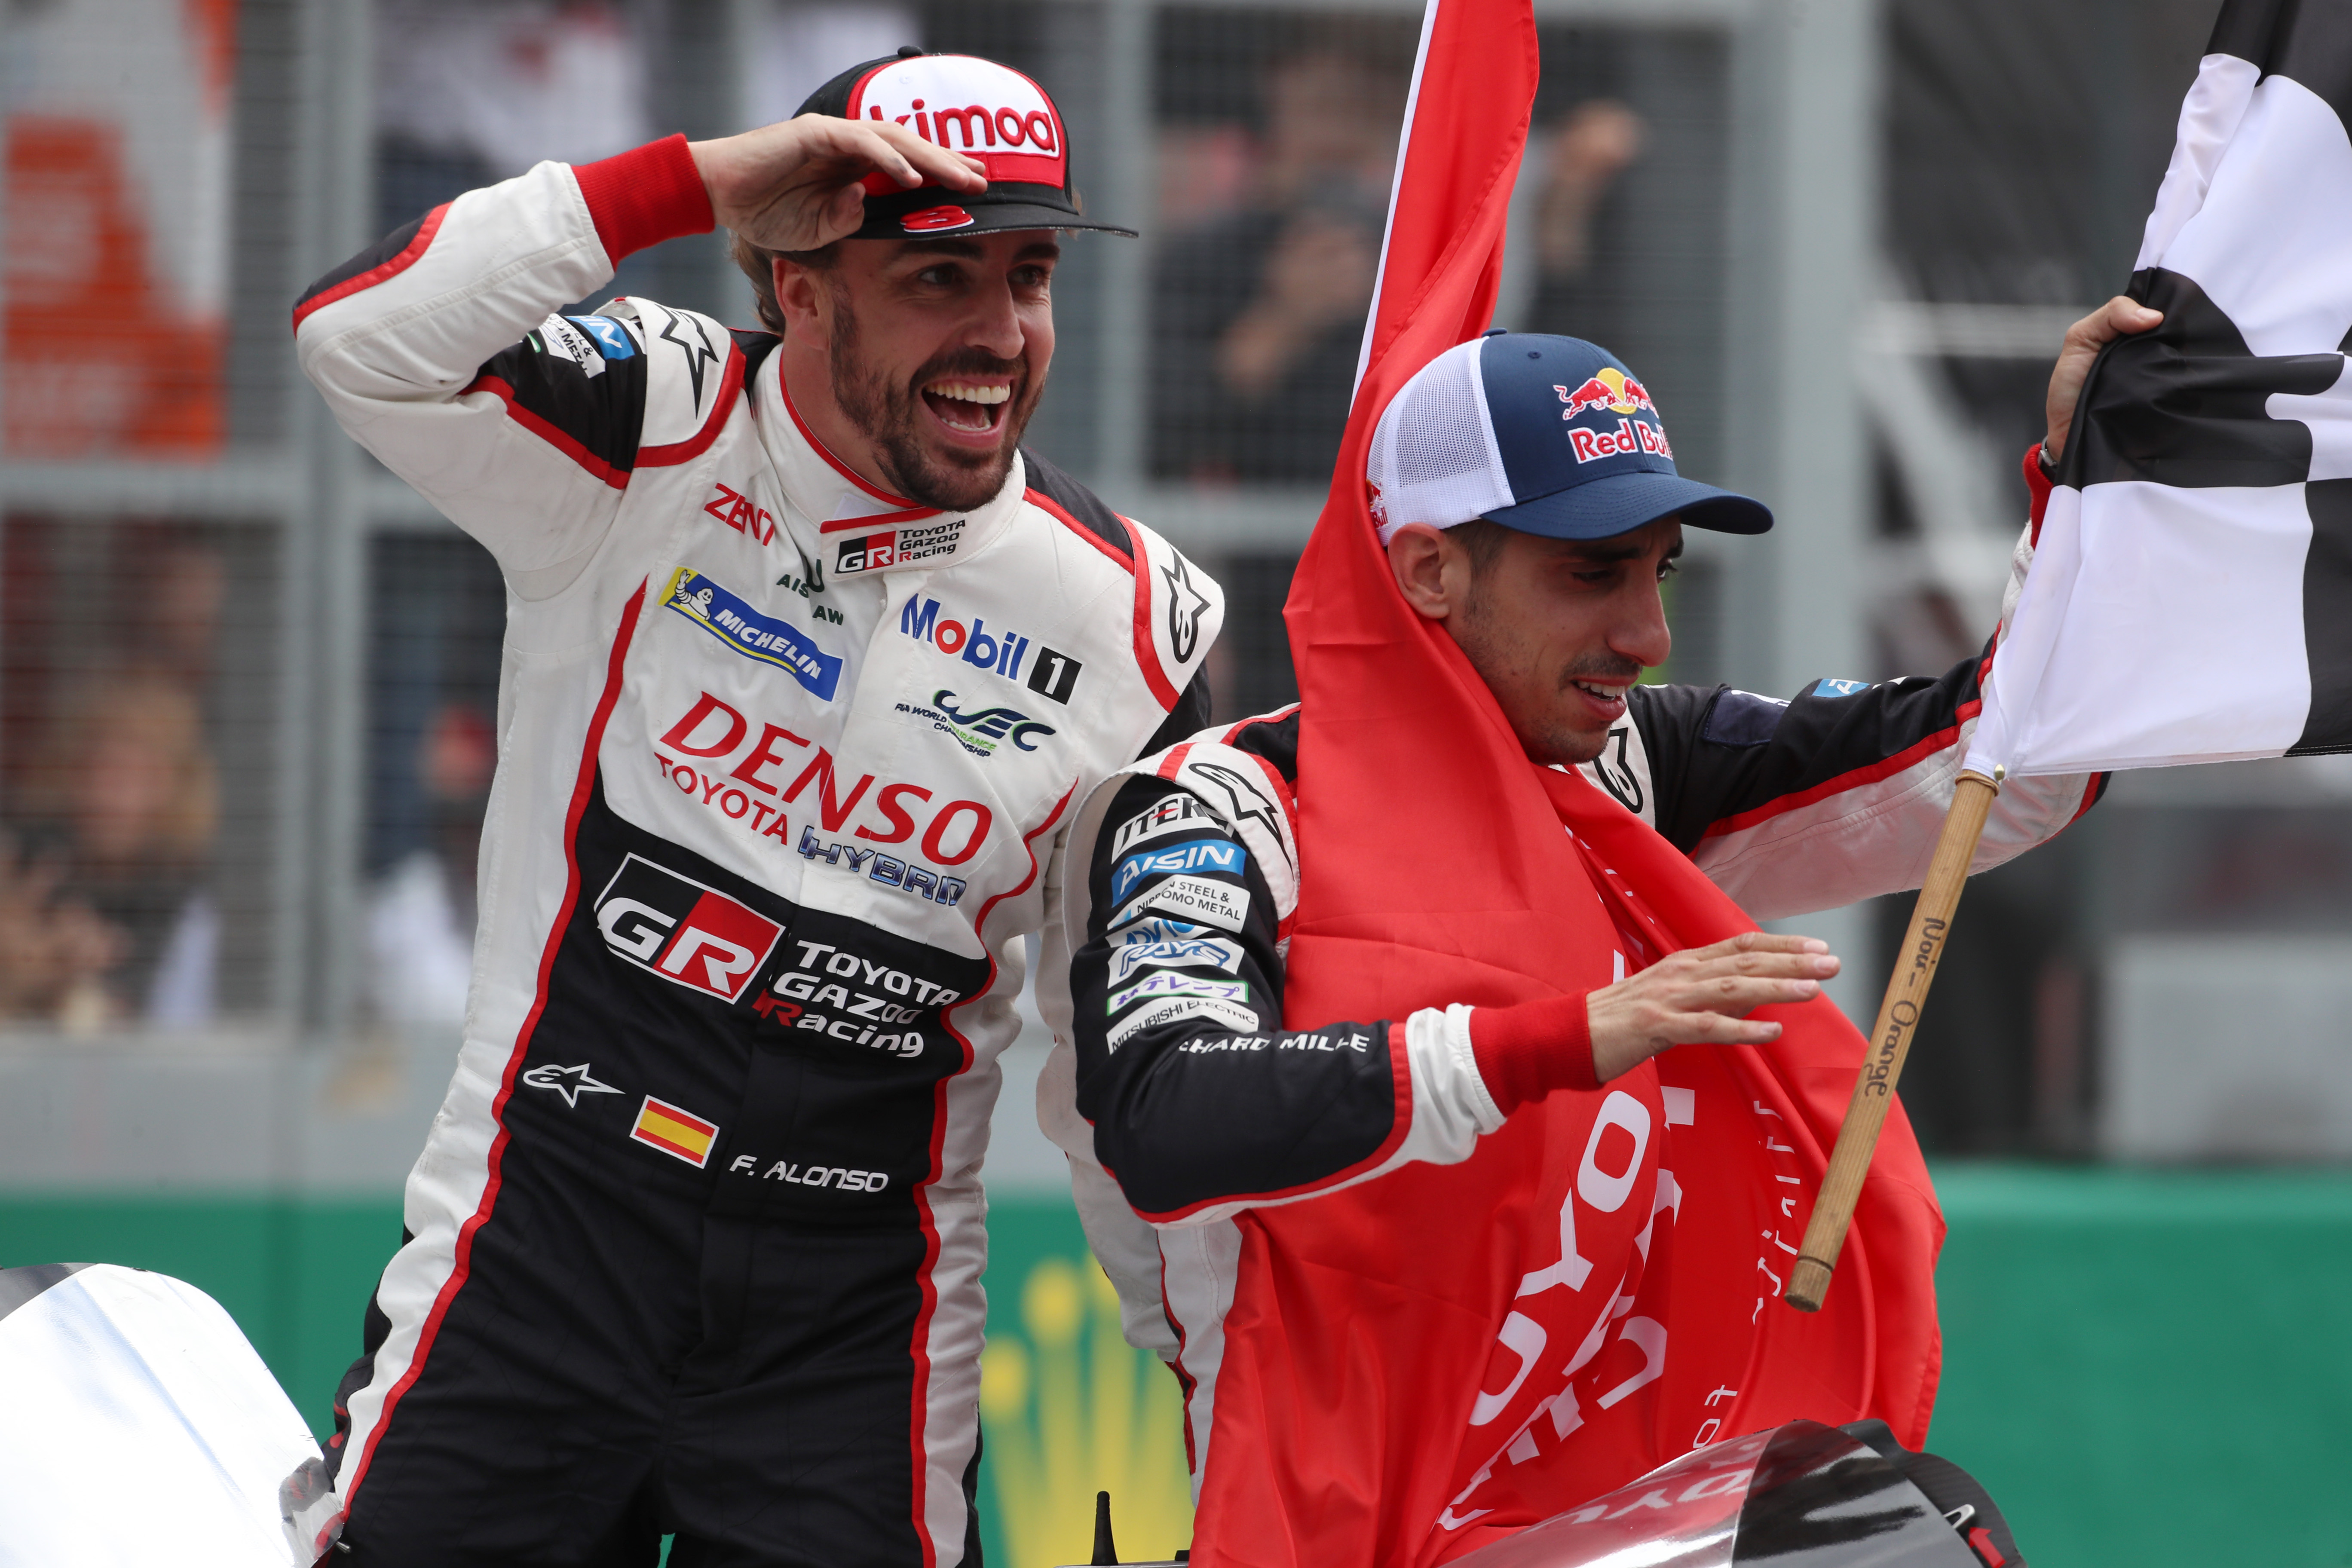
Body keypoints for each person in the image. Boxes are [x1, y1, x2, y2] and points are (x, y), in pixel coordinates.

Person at [291, 48, 1222, 1565]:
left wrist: (1214, 1391)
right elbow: (357, 337)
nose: (999, 335)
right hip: (542, 1240)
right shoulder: (653, 421)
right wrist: (692, 180)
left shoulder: (1134, 624)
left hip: (854, 1328)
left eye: (1031, 275)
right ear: (798, 281)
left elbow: (1124, 1082)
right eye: (939, 277)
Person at [1040, 311, 2152, 1558]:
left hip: (1590, 1512)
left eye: (1658, 570)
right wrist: (1561, 1038)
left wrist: (2091, 493)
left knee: (1902, 1526)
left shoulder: (1630, 764)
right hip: (1312, 1524)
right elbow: (1166, 1118)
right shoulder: (1220, 809)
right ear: (1427, 572)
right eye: (1592, 573)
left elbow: (1996, 769)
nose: (1647, 634)